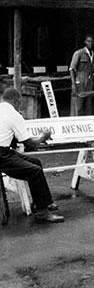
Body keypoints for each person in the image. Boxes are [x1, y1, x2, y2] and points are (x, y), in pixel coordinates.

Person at [0, 88, 64, 223]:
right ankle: (42, 213)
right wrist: (44, 135)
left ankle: (43, 202)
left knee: (35, 162)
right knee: (35, 171)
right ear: (17, 101)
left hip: (5, 151)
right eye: (20, 102)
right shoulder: (14, 115)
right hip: (2, 155)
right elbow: (31, 144)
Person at [69, 34, 94, 116]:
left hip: (89, 81)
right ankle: (75, 123)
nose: (91, 43)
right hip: (80, 80)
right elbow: (72, 69)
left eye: (92, 42)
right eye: (89, 41)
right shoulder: (79, 53)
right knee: (78, 104)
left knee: (88, 104)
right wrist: (73, 84)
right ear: (85, 42)